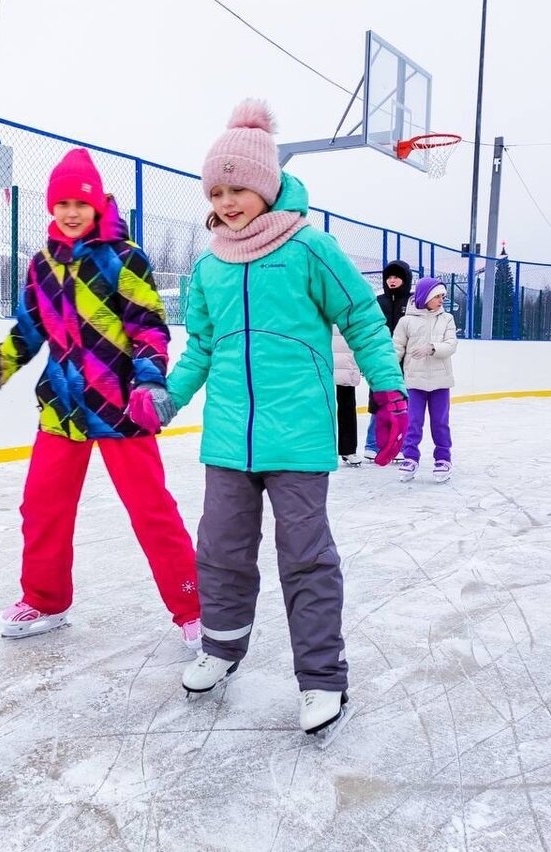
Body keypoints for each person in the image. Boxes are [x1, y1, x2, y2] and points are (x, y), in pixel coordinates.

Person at [132, 100, 408, 735]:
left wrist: (387, 391)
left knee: (305, 556)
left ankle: (320, 678)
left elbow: (363, 319)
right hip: (228, 437)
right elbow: (200, 347)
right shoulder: (208, 266)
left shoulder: (311, 248)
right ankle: (222, 648)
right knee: (222, 550)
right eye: (218, 191)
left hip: (300, 437)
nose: (228, 203)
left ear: (266, 185)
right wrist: (170, 398)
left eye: (240, 189)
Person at [0, 147, 202, 648]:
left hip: (120, 408)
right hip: (62, 410)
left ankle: (192, 608)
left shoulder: (124, 258)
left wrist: (150, 381)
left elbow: (149, 329)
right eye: (62, 203)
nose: (71, 212)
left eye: (81, 202)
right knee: (42, 507)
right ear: (51, 207)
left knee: (150, 510)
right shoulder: (42, 265)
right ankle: (46, 601)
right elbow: (27, 332)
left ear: (98, 205)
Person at [393, 276, 458, 483]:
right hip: (414, 382)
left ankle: (443, 459)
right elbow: (396, 349)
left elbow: (451, 345)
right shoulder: (406, 321)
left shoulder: (446, 319)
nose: (441, 300)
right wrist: (387, 369)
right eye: (437, 296)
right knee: (412, 422)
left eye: (442, 296)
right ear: (425, 296)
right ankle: (410, 457)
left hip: (440, 381)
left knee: (440, 422)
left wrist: (432, 348)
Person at [364, 259, 413, 461]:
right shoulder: (379, 301)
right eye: (389, 277)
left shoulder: (412, 302)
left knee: (402, 404)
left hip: (407, 362)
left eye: (397, 277)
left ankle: (399, 445)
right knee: (380, 401)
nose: (392, 281)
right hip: (382, 360)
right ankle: (372, 444)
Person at [332, 326, 363, 466]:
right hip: (323, 362)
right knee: (319, 409)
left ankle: (348, 449)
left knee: (347, 407)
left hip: (347, 363)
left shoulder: (352, 310)